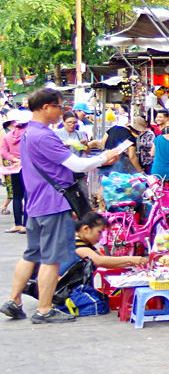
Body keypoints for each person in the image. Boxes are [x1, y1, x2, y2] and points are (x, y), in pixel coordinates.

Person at [2, 89, 126, 323]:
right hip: (53, 202)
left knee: (32, 254)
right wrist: (104, 156)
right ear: (46, 107)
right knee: (51, 258)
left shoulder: (29, 133)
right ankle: (44, 309)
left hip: (36, 203)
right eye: (59, 107)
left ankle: (14, 300)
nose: (61, 112)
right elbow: (76, 164)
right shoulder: (44, 136)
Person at [1, 116, 24, 232]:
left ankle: (18, 224)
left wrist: (14, 159)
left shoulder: (8, 136)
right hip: (29, 168)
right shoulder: (28, 134)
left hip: (15, 168)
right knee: (29, 196)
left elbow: (3, 152)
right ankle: (26, 224)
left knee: (17, 196)